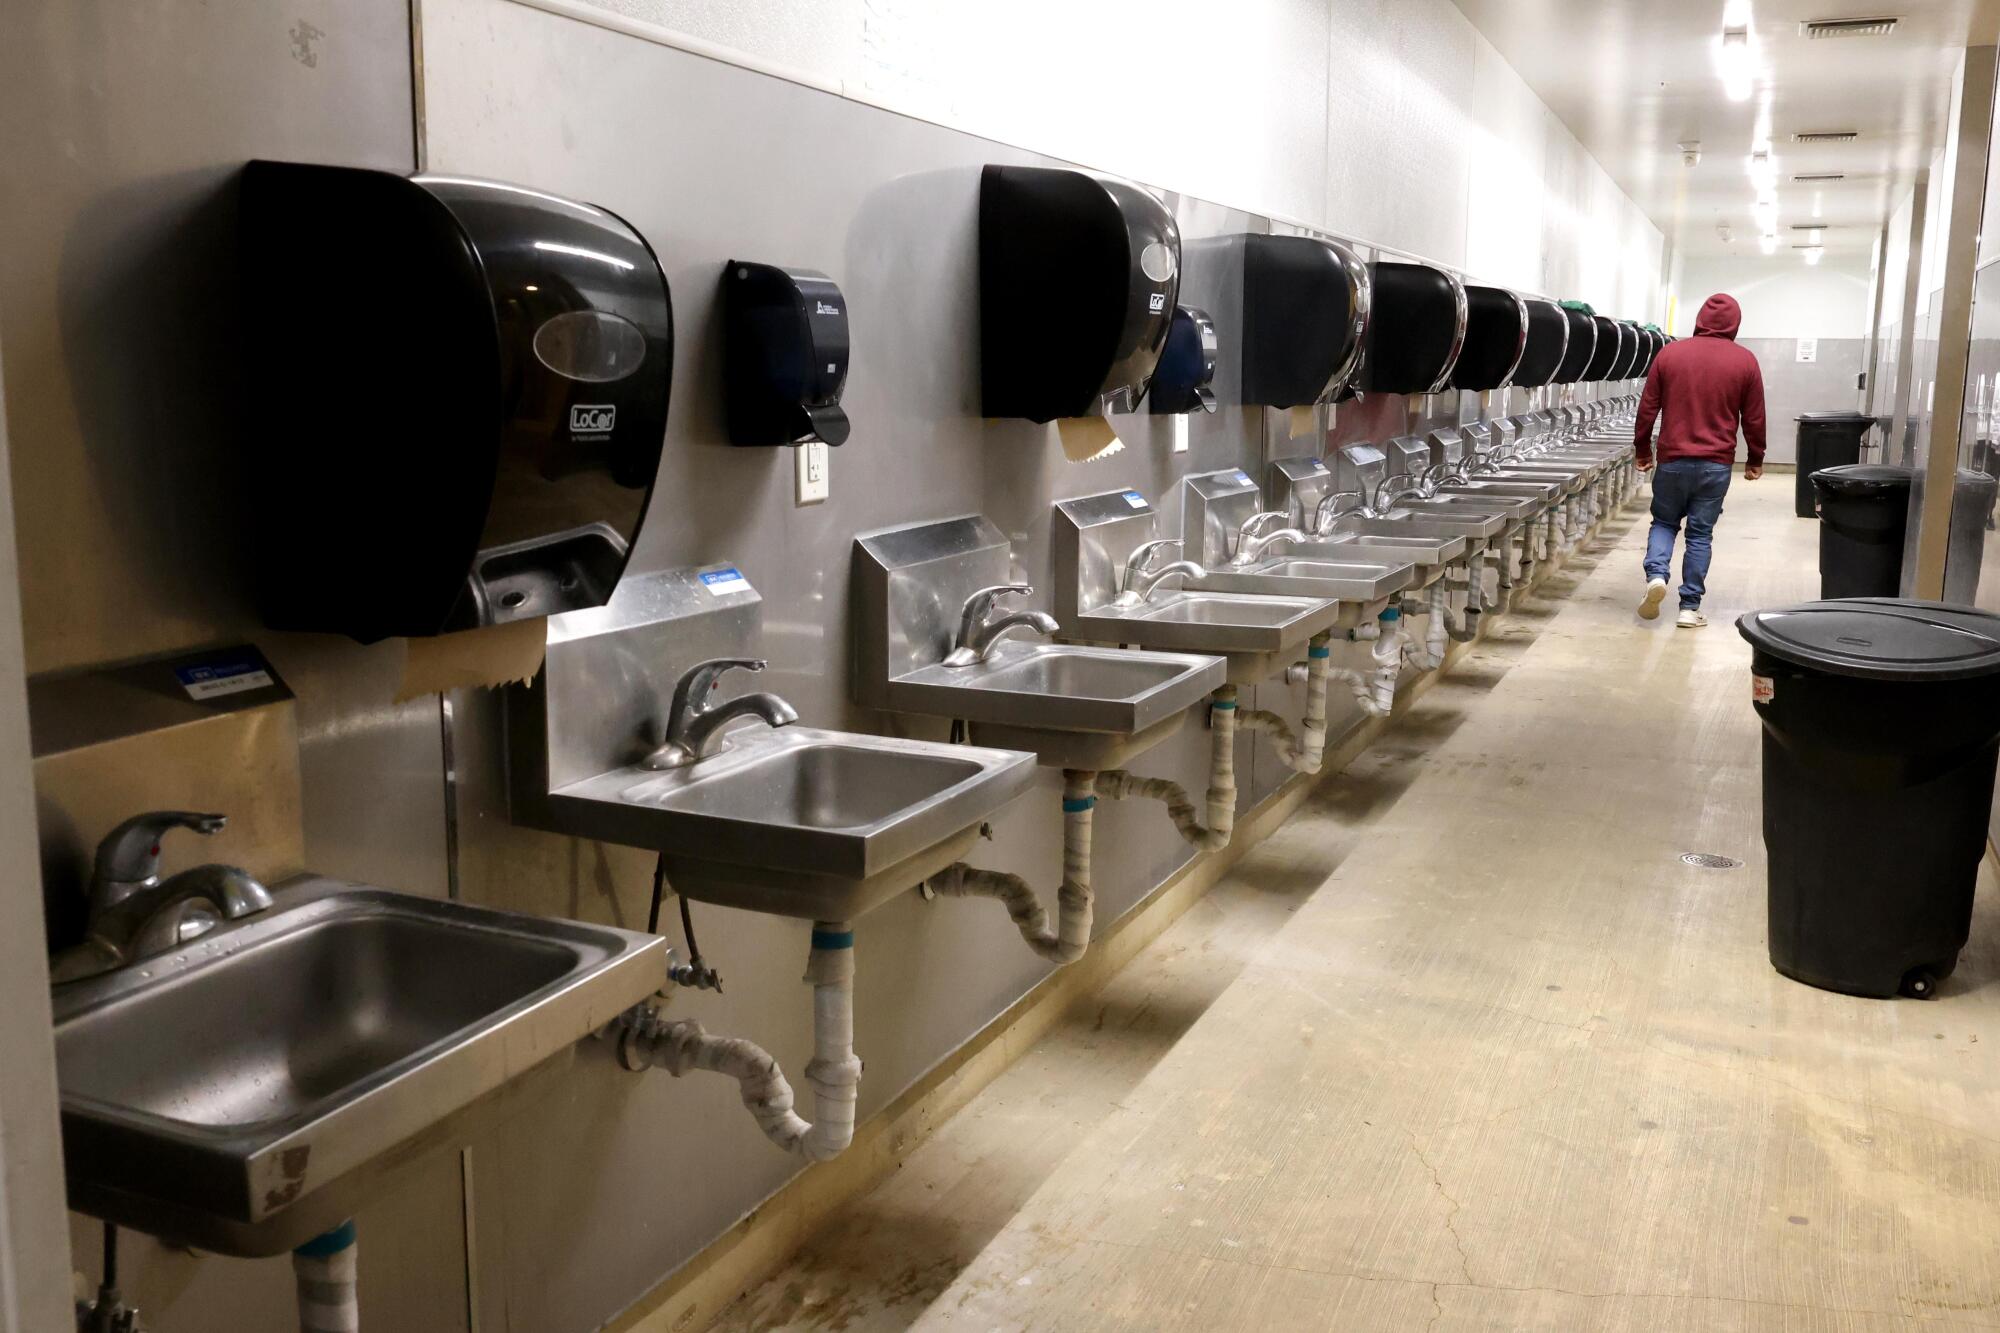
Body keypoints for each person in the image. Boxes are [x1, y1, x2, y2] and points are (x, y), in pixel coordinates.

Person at [1632, 292, 1766, 628]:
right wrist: (1755, 457)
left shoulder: (1670, 354)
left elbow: (1647, 408)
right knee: (1700, 534)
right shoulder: (1745, 361)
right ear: (1735, 323)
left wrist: (1642, 450)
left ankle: (1657, 576)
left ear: (1700, 320)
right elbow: (1754, 417)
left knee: (1664, 522)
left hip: (1673, 460)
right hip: (1716, 464)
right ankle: (1689, 607)